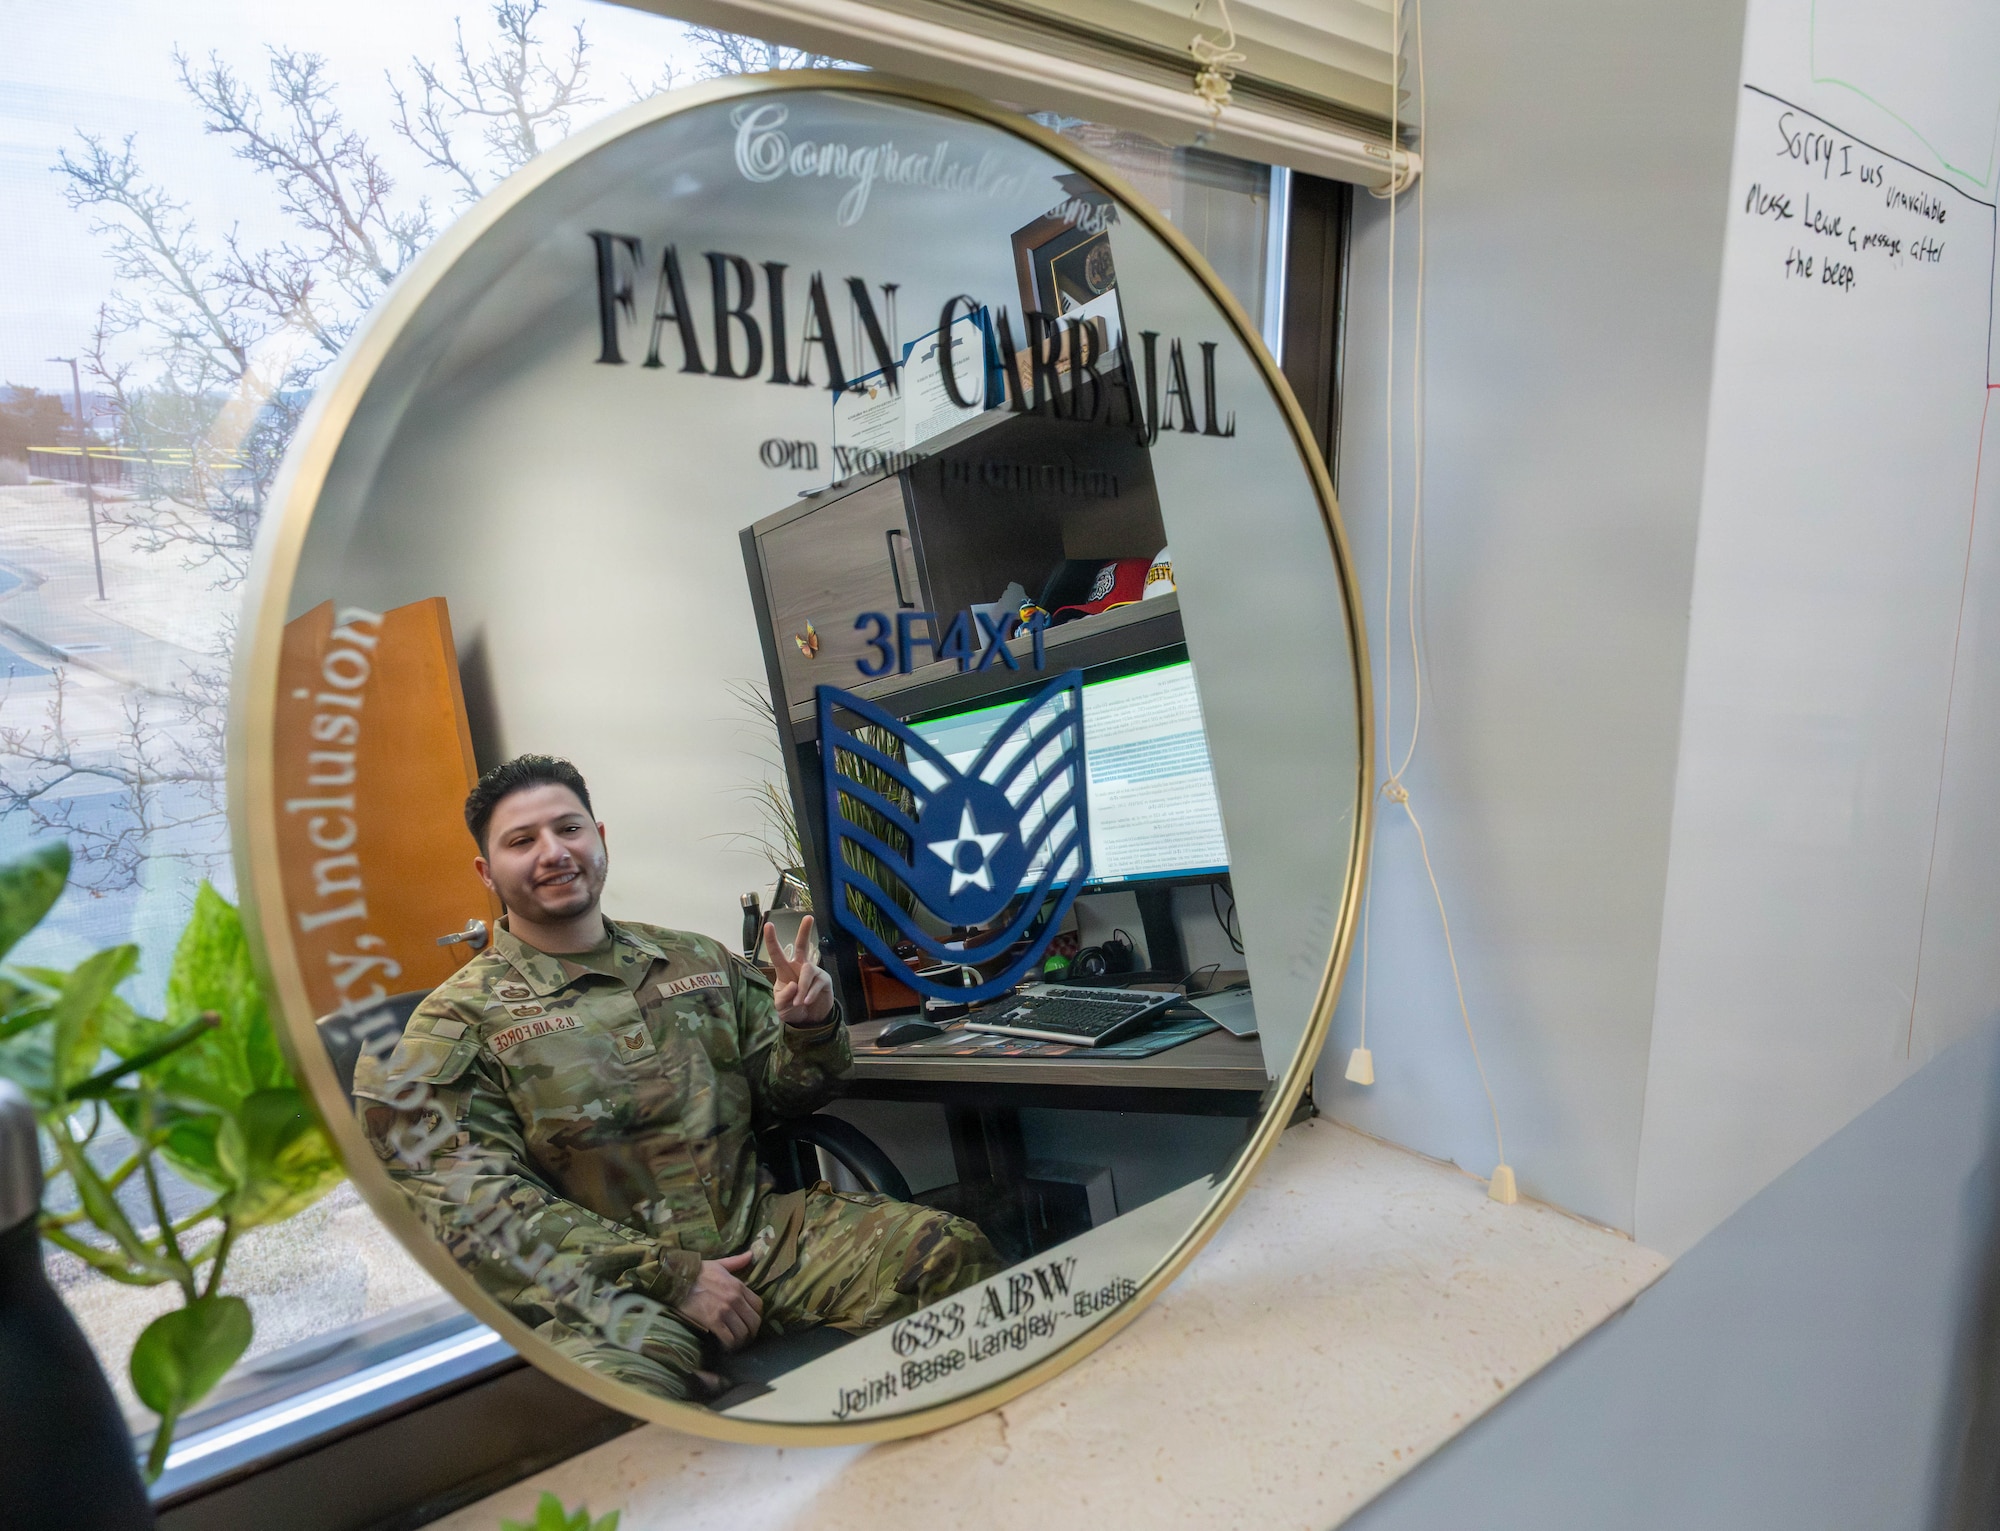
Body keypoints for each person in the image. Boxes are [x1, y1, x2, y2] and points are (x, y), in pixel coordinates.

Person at [353, 754, 999, 1402]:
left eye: (569, 829)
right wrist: (674, 1276)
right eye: (522, 840)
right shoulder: (455, 1022)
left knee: (948, 1255)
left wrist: (810, 1024)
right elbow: (474, 1211)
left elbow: (789, 1095)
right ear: (486, 870)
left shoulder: (693, 960)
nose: (553, 852)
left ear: (599, 839)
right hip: (614, 1297)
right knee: (614, 1416)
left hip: (766, 1243)